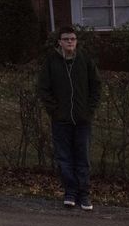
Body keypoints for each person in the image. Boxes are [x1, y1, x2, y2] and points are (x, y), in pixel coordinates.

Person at [38, 25, 102, 211]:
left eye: (72, 39)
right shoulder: (52, 62)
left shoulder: (84, 60)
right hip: (61, 120)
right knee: (64, 158)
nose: (70, 42)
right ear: (59, 42)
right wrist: (54, 111)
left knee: (82, 158)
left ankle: (84, 194)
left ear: (76, 41)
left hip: (83, 119)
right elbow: (44, 88)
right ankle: (70, 192)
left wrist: (89, 109)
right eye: (66, 39)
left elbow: (96, 85)